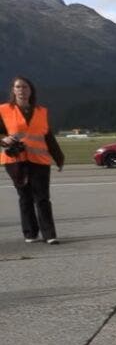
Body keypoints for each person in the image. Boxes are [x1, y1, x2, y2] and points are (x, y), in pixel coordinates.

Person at [1, 76, 64, 244]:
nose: (22, 90)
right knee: (25, 196)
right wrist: (3, 139)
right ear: (13, 90)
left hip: (39, 159)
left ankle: (49, 235)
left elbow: (48, 136)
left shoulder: (41, 111)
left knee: (42, 197)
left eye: (25, 87)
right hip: (15, 160)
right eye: (18, 87)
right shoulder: (4, 110)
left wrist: (59, 158)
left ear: (31, 90)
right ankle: (30, 233)